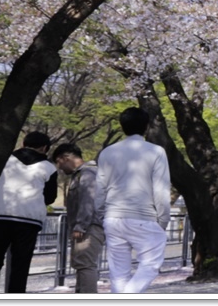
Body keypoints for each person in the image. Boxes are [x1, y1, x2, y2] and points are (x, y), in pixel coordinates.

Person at [94, 107, 171, 293]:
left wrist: (101, 214)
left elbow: (100, 188)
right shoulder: (156, 151)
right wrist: (163, 219)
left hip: (113, 218)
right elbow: (161, 189)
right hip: (144, 216)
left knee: (119, 273)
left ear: (122, 127)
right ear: (146, 127)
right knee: (151, 264)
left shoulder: (107, 152)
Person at [0, 132, 58, 293]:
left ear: (23, 143)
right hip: (29, 220)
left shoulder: (2, 160)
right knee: (20, 265)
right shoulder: (49, 167)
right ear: (44, 148)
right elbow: (50, 198)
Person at [53, 143, 105, 293]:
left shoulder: (87, 174)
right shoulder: (83, 174)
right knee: (82, 265)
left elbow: (89, 200)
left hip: (89, 227)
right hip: (87, 226)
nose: (60, 168)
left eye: (59, 162)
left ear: (65, 158)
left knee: (85, 265)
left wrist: (80, 226)